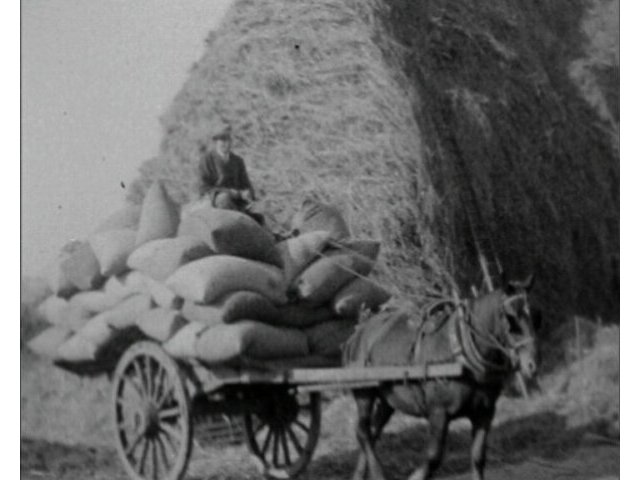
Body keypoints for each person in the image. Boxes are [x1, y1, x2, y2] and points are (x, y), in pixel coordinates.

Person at [198, 121, 256, 211]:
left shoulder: (238, 161)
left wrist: (248, 193)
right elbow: (203, 187)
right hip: (215, 199)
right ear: (216, 142)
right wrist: (229, 192)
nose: (227, 144)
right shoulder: (206, 159)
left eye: (229, 140)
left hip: (238, 199)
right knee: (224, 199)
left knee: (259, 212)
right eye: (223, 140)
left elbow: (246, 184)